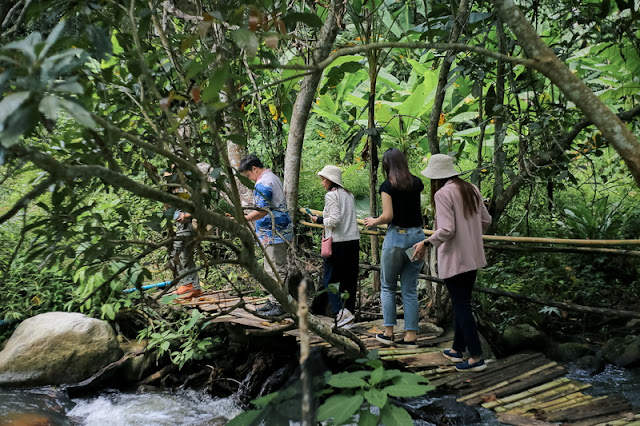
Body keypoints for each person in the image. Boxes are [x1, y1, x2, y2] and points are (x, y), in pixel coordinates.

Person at [412, 153, 492, 372]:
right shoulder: (471, 189)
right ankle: (457, 349)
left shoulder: (443, 193)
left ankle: (476, 356)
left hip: (456, 258)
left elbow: (447, 230)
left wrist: (426, 242)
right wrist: (471, 233)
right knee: (462, 302)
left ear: (435, 177)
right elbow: (486, 220)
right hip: (473, 257)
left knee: (461, 305)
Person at [364, 148, 425, 349]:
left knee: (388, 286)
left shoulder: (388, 186)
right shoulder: (416, 183)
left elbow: (388, 216)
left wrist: (374, 221)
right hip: (417, 238)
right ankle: (410, 336)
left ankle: (389, 332)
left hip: (397, 238)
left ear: (386, 165)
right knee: (409, 289)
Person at [239, 154, 293, 317]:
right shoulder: (270, 178)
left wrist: (245, 218)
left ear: (254, 169)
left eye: (248, 176)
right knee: (270, 268)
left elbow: (263, 211)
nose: (250, 179)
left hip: (274, 232)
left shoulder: (264, 183)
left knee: (276, 268)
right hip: (272, 232)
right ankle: (273, 299)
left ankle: (280, 303)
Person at [308, 165, 360, 327]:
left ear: (331, 180)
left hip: (338, 243)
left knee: (330, 279)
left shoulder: (332, 196)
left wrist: (319, 220)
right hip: (352, 241)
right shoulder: (348, 194)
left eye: (323, 179)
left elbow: (335, 220)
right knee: (349, 280)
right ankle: (349, 313)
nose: (322, 182)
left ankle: (339, 312)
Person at [163, 171, 202, 298]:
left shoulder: (184, 190)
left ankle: (186, 284)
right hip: (181, 227)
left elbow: (197, 208)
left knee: (175, 254)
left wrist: (185, 215)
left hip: (187, 227)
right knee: (187, 257)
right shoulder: (172, 192)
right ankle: (194, 287)